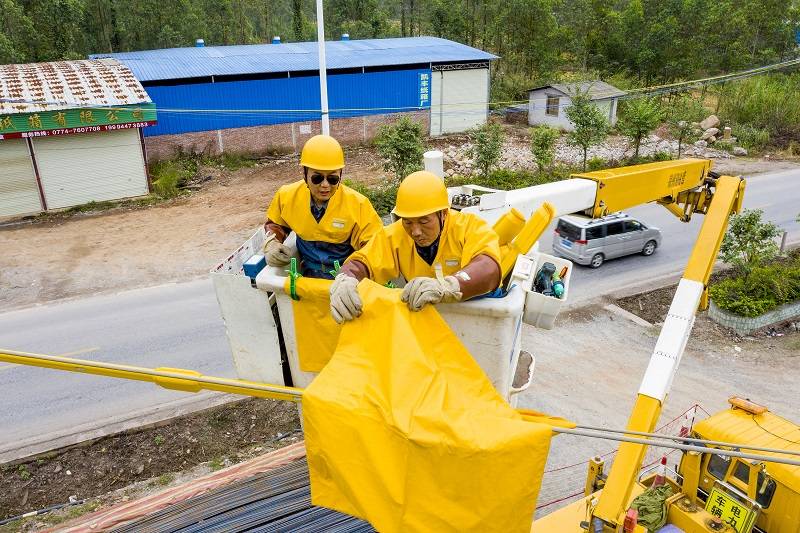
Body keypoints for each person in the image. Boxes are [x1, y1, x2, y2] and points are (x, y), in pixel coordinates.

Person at [329, 170, 501, 323]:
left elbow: (489, 267)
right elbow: (363, 261)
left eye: (424, 221)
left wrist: (448, 286)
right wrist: (346, 278)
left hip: (479, 316)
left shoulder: (469, 227)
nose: (415, 231)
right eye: (408, 222)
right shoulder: (396, 235)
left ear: (443, 213)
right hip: (428, 320)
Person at [263, 135, 382, 279]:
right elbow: (276, 224)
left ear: (340, 175)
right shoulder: (287, 196)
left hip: (344, 277)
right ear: (305, 174)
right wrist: (272, 242)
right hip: (307, 276)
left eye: (332, 179)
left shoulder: (358, 204)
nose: (325, 185)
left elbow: (374, 246)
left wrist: (354, 272)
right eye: (317, 178)